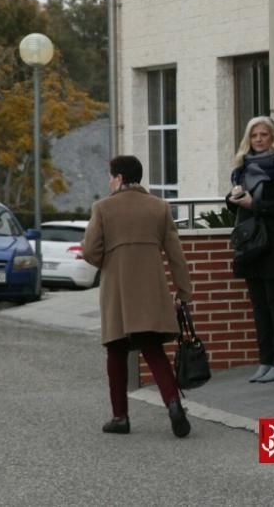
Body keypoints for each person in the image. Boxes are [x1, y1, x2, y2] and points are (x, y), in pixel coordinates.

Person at [81, 155, 193, 438]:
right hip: (150, 288)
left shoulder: (103, 208)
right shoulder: (159, 207)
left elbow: (90, 251)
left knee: (116, 351)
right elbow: (176, 255)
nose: (109, 182)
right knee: (153, 350)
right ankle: (173, 404)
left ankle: (120, 416)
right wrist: (183, 293)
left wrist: (111, 260)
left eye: (110, 176)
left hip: (117, 290)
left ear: (118, 178)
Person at [227, 116, 274, 384]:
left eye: (264, 135)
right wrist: (233, 198)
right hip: (251, 244)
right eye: (254, 135)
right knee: (259, 306)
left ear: (273, 137)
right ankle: (266, 360)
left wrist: (254, 205)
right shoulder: (242, 168)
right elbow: (235, 207)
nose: (259, 139)